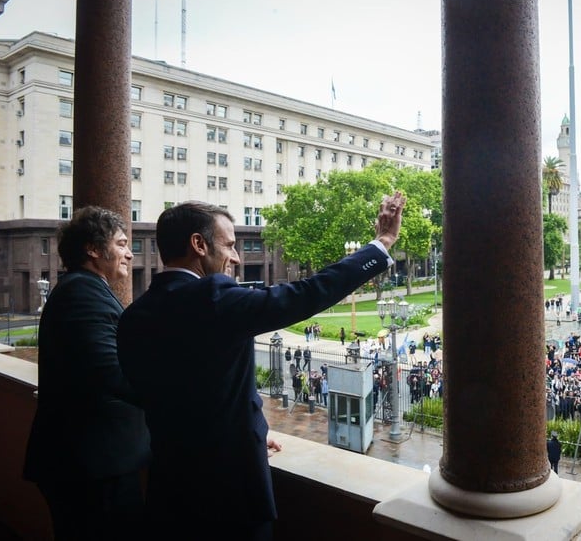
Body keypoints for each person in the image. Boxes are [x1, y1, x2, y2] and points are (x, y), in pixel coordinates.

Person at [117, 194, 404, 540]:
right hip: (231, 500)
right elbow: (306, 293)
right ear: (199, 245)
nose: (236, 258)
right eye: (230, 245)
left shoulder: (133, 316)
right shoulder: (213, 298)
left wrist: (240, 428)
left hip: (169, 493)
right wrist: (382, 243)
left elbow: (151, 393)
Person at [23, 206, 151, 540]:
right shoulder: (83, 294)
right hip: (91, 468)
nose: (128, 253)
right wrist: (177, 401)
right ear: (93, 250)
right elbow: (111, 373)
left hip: (87, 464)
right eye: (122, 244)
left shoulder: (83, 289)